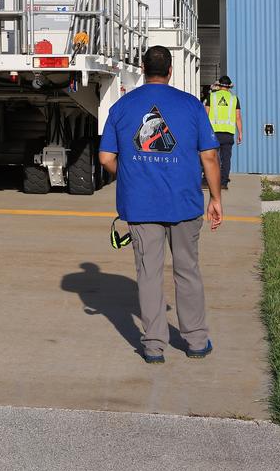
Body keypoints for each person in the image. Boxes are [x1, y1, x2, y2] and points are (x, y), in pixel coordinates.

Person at [99, 44, 223, 364]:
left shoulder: (122, 107)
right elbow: (209, 155)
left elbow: (106, 157)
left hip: (140, 205)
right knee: (187, 270)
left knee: (149, 273)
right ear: (170, 71)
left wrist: (128, 175)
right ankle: (195, 340)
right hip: (185, 203)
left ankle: (154, 345)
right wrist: (215, 198)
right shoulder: (191, 106)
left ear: (142, 68)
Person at [207, 74, 242, 189]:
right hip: (228, 134)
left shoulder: (212, 97)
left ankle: (211, 181)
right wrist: (240, 133)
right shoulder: (234, 99)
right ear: (229, 87)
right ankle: (223, 183)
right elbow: (238, 117)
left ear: (219, 85)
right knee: (226, 159)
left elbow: (205, 115)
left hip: (213, 134)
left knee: (212, 158)